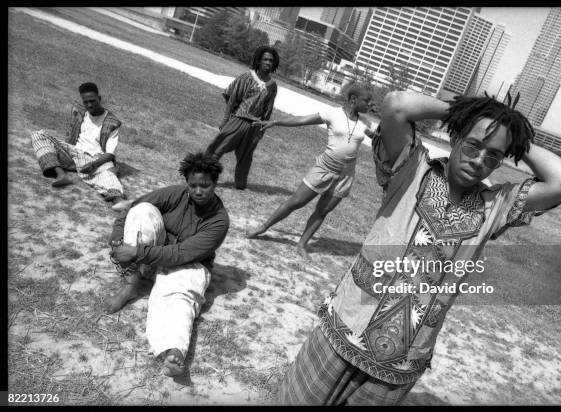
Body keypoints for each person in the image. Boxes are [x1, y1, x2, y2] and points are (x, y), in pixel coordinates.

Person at [276, 91, 561, 405]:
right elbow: (396, 105)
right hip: (344, 329)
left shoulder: (496, 206)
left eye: (493, 156)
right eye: (474, 145)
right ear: (456, 137)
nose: (479, 161)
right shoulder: (411, 168)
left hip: (402, 361)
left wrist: (513, 132)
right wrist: (471, 113)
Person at [106, 152, 229, 376]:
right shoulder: (176, 194)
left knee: (180, 296)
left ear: (215, 184)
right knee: (142, 212)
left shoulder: (219, 220)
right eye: (193, 185)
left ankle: (175, 352)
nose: (198, 191)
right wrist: (117, 237)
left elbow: (182, 253)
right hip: (152, 258)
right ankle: (130, 286)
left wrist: (135, 251)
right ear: (187, 183)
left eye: (205, 185)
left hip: (188, 265)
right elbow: (135, 206)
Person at [246, 83, 374, 260]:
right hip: (324, 168)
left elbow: (379, 141)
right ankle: (263, 227)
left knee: (322, 211)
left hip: (345, 175)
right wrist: (276, 122)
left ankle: (302, 245)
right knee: (295, 202)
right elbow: (302, 120)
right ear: (354, 99)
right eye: (367, 101)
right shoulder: (332, 113)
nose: (370, 105)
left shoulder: (366, 123)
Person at [30, 82, 129, 206]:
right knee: (38, 135)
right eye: (85, 102)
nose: (89, 105)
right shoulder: (80, 111)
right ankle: (61, 175)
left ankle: (118, 200)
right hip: (74, 153)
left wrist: (93, 164)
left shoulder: (112, 122)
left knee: (108, 175)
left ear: (99, 99)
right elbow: (71, 133)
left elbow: (110, 154)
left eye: (92, 101)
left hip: (95, 159)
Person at [204, 46, 279, 190]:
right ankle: (204, 176)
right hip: (238, 120)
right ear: (258, 61)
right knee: (218, 148)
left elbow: (267, 110)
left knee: (246, 156)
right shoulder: (247, 77)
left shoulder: (272, 86)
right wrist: (226, 119)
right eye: (265, 59)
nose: (268, 62)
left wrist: (261, 130)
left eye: (271, 60)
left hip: (254, 126)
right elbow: (232, 98)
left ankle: (240, 184)